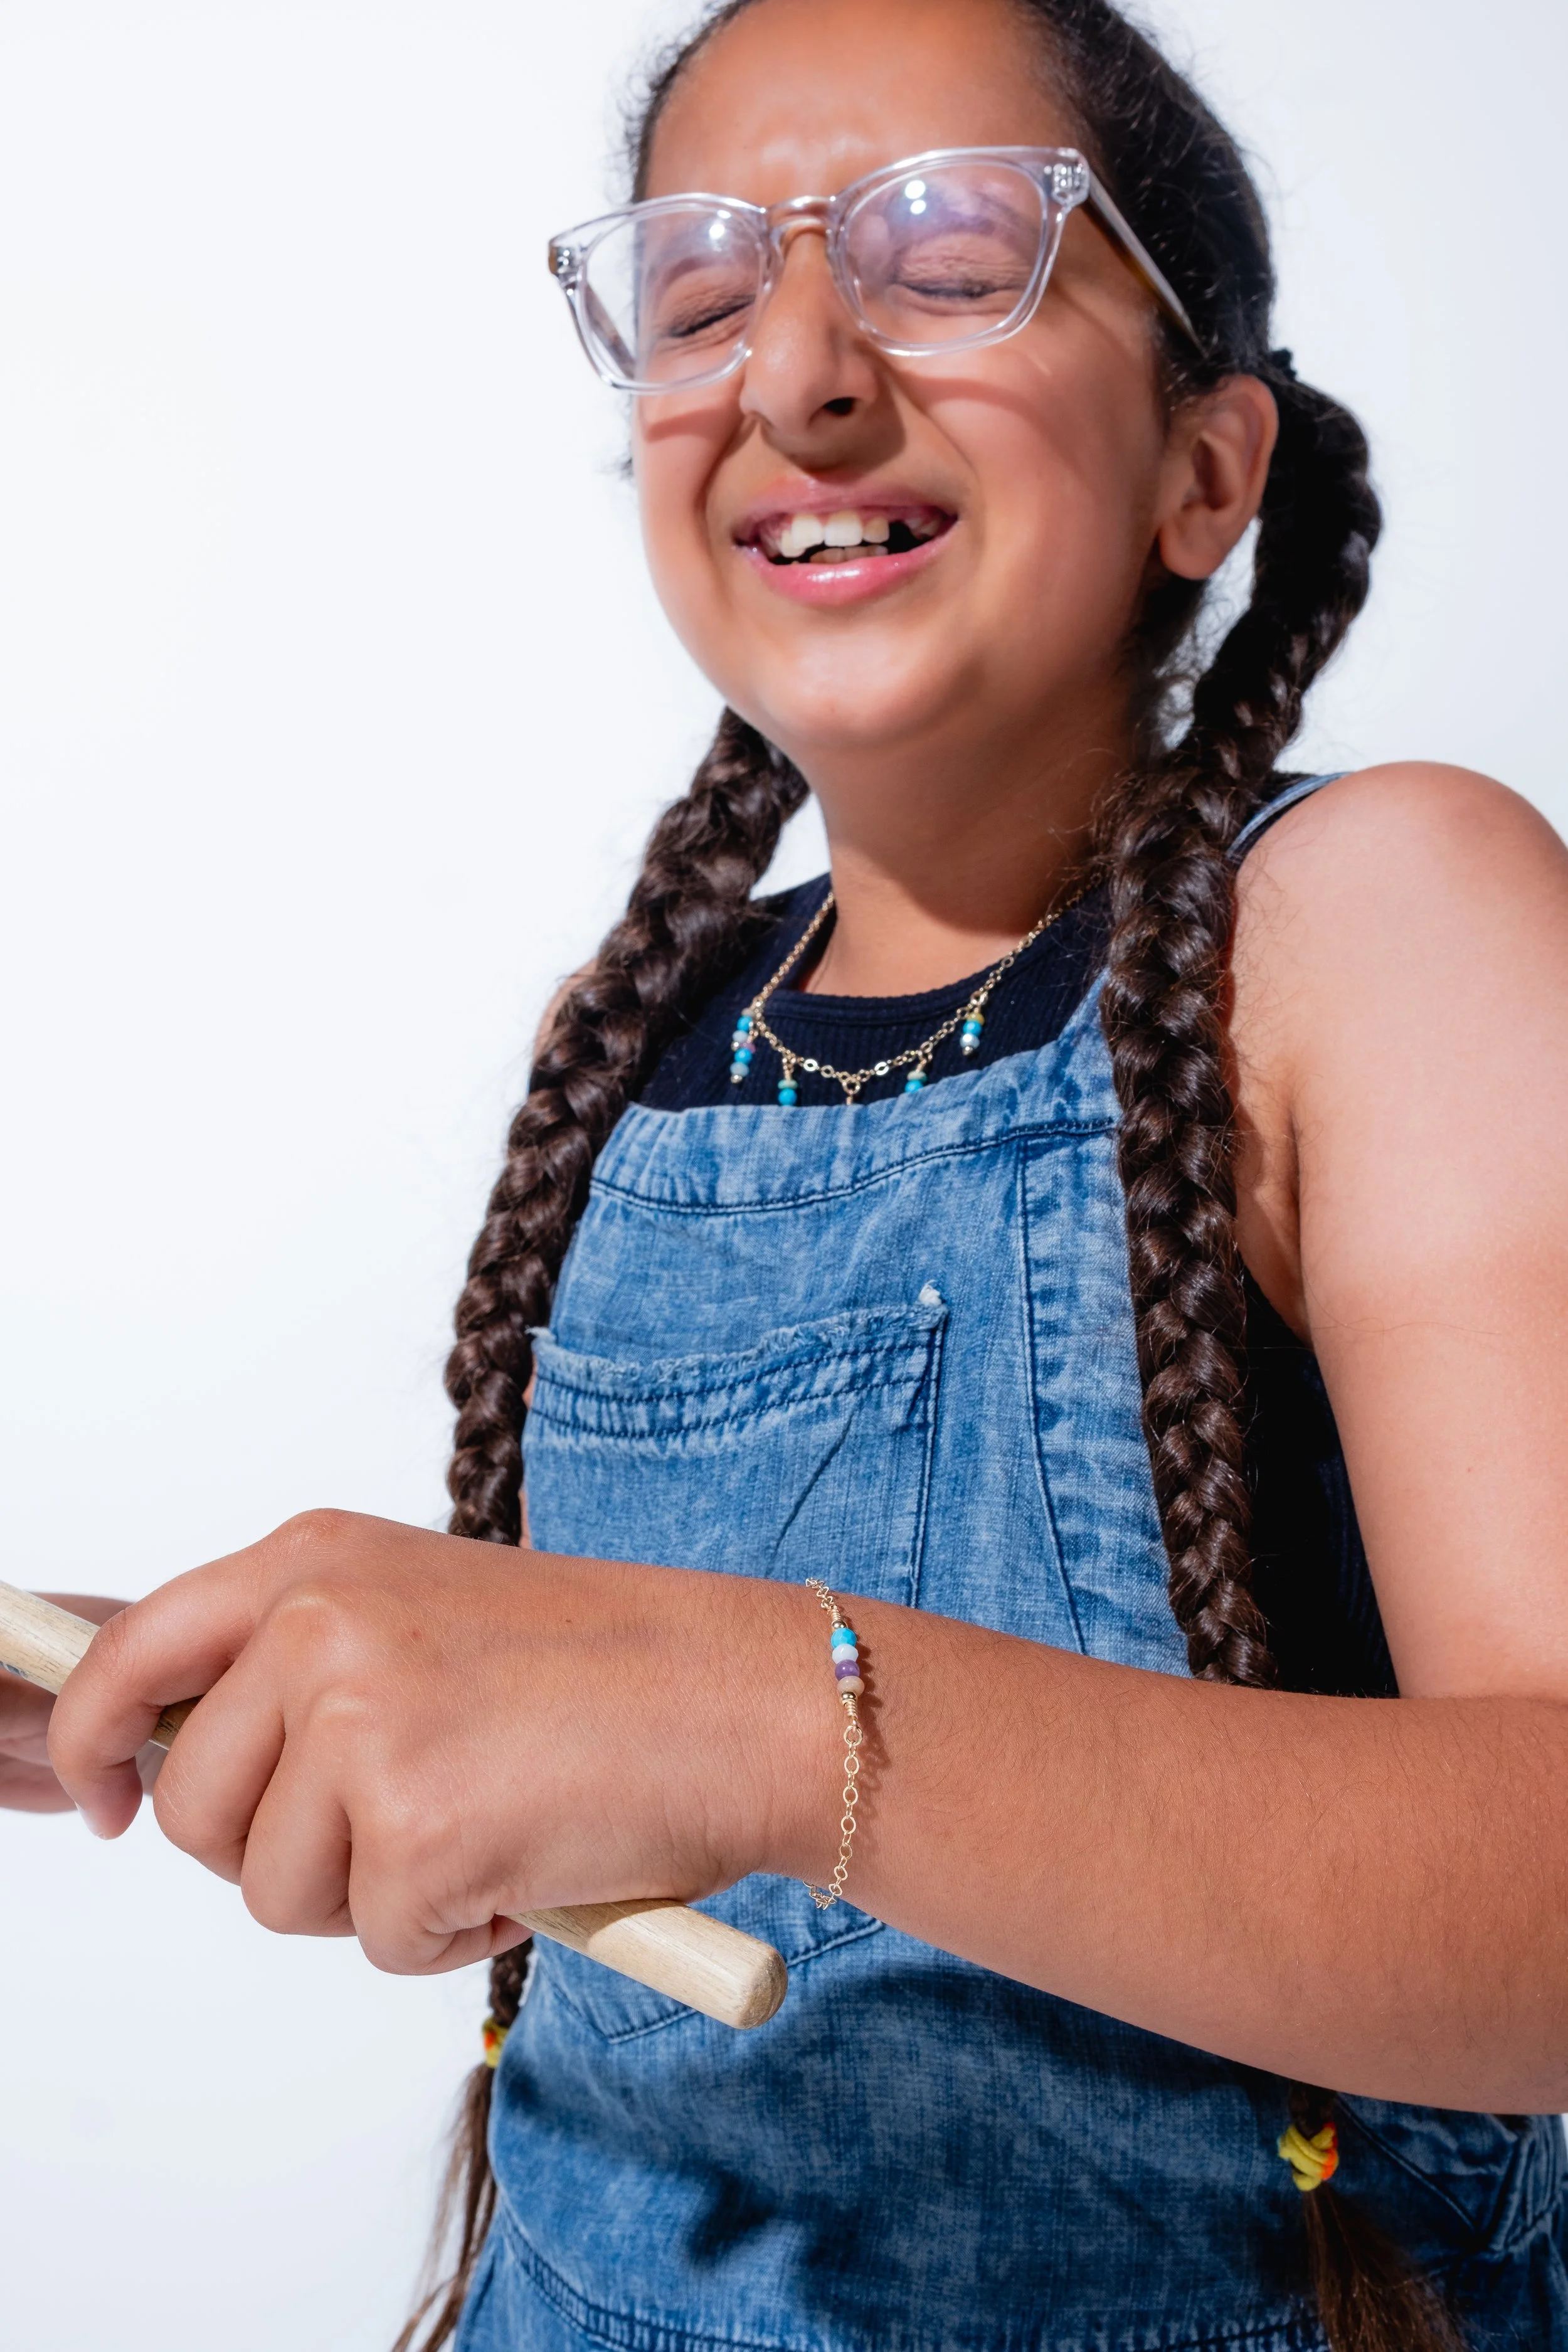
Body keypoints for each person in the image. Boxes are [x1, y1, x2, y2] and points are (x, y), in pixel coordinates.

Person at [11, 0, 1568, 2343]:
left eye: (956, 253)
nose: (802, 368)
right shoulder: (623, 1039)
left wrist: (758, 1708)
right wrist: (220, 1697)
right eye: (704, 291)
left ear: (1202, 468)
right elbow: (604, 1723)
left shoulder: (1380, 923)